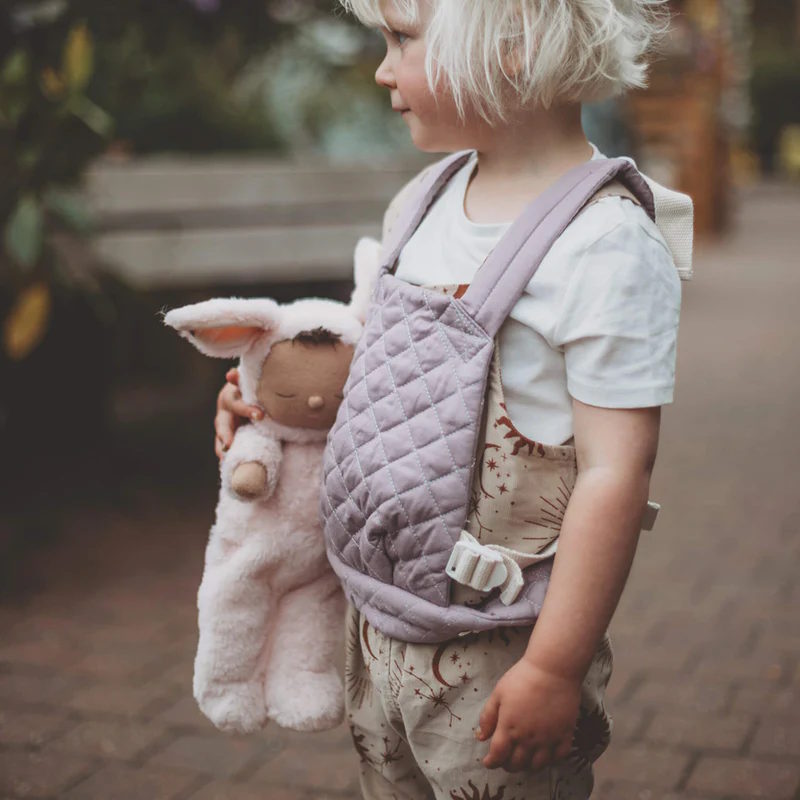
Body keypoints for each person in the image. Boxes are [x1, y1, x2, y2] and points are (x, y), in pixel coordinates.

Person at [214, 1, 687, 797]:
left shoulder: (604, 246)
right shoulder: (422, 203)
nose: (381, 67)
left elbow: (617, 473)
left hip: (499, 647)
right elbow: (377, 377)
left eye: (401, 39)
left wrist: (554, 666)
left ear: (512, 45)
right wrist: (266, 398)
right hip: (378, 623)